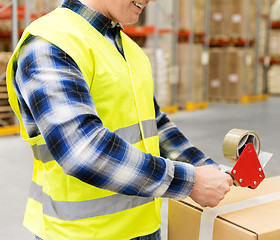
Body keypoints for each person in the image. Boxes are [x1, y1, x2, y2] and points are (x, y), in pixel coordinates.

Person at [6, 0, 233, 239]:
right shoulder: (50, 44)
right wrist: (190, 182)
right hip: (80, 234)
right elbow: (84, 152)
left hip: (144, 228)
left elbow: (155, 125)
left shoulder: (129, 49)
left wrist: (208, 170)